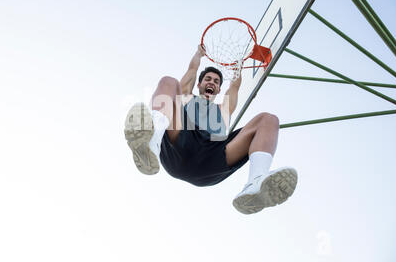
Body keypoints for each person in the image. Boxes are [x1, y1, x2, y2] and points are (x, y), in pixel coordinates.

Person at [124, 45, 297, 214]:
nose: (211, 83)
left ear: (219, 89)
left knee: (269, 120)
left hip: (212, 156)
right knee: (169, 82)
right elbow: (192, 69)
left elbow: (234, 87)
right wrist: (198, 55)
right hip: (181, 144)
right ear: (199, 84)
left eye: (216, 81)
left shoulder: (223, 109)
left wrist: (238, 68)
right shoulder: (186, 96)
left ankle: (255, 184)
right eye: (208, 79)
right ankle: (150, 147)